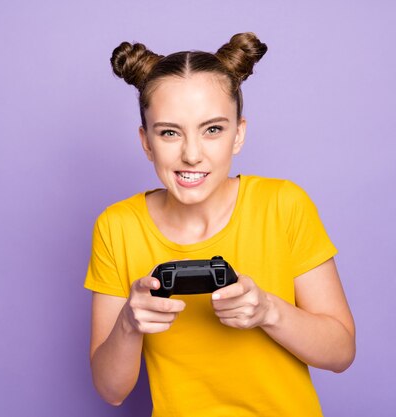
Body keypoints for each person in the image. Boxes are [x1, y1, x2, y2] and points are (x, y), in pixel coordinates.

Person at [84, 32, 355, 417]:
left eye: (212, 129)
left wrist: (268, 311)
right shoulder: (118, 226)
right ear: (146, 142)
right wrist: (129, 324)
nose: (192, 154)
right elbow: (111, 391)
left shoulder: (283, 205)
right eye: (169, 132)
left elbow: (341, 353)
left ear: (238, 134)